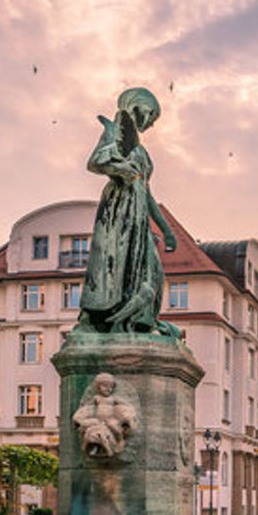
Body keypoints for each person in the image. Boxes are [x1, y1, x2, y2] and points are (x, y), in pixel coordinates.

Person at [77, 87, 180, 337]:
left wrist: (167, 230)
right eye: (151, 115)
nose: (152, 123)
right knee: (113, 266)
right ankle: (105, 318)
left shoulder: (142, 151)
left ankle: (140, 321)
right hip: (118, 212)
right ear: (136, 106)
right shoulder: (116, 131)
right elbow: (95, 162)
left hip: (139, 216)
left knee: (152, 271)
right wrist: (122, 169)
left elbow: (147, 194)